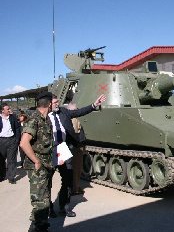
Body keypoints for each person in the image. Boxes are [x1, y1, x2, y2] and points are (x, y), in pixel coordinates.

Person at [48, 93, 106, 218]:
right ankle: (48, 208)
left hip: (63, 148)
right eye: (55, 102)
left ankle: (65, 207)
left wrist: (94, 105)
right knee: (47, 181)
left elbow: (79, 112)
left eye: (58, 101)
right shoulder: (43, 117)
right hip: (49, 150)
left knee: (68, 179)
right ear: (48, 104)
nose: (58, 103)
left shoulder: (63, 112)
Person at [19, 91, 54, 232]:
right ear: (49, 104)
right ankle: (37, 228)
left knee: (44, 198)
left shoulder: (46, 119)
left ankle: (40, 226)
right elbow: (24, 143)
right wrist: (36, 161)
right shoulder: (34, 119)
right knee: (40, 201)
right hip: (37, 167)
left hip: (46, 164)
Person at [0, 103, 21, 184]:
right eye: (7, 109)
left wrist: (17, 139)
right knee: (1, 159)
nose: (9, 110)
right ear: (2, 110)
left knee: (11, 160)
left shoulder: (13, 117)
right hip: (1, 141)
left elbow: (17, 128)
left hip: (12, 140)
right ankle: (1, 175)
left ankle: (11, 177)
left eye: (9, 108)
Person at [68, 102, 85, 196]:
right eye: (76, 109)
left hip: (74, 146)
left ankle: (74, 187)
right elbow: (75, 133)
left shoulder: (70, 118)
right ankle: (75, 188)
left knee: (73, 168)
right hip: (75, 147)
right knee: (76, 168)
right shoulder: (73, 119)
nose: (77, 111)